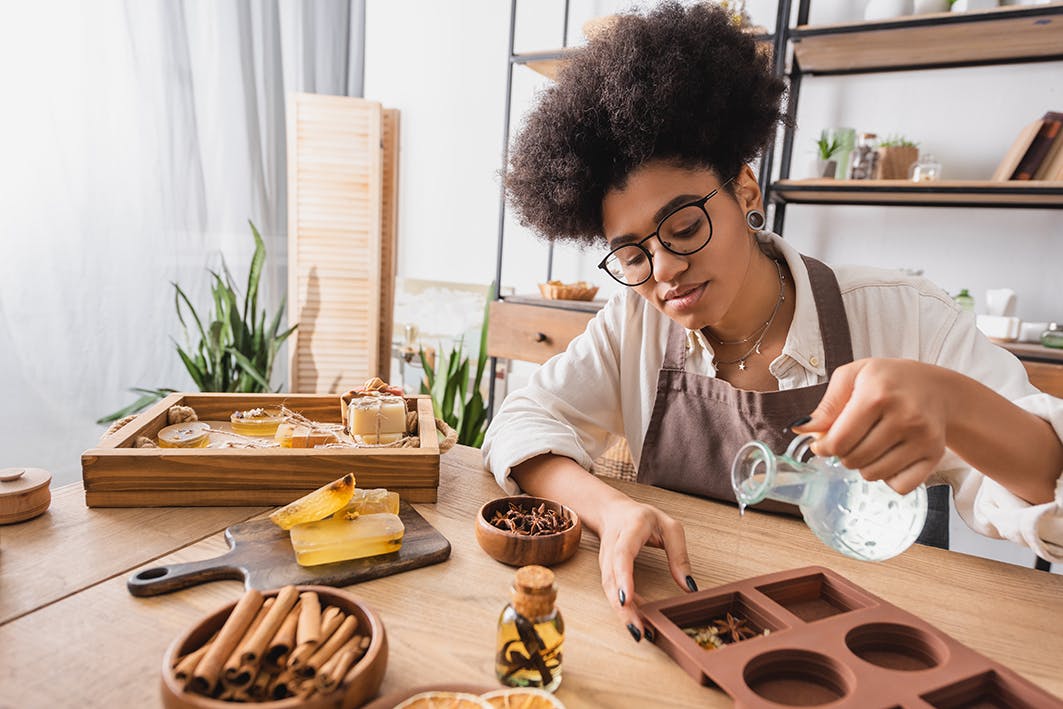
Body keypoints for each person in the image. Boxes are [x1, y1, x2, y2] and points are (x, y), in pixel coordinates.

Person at [482, 2, 1063, 642]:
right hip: (696, 629)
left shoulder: (903, 316)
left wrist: (954, 404)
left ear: (746, 190)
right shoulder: (634, 324)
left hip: (876, 639)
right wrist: (609, 508)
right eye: (632, 252)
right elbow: (522, 419)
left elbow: (1047, 482)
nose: (664, 268)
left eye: (684, 228)